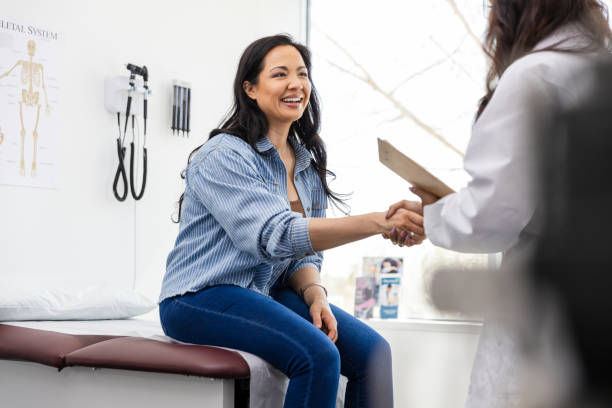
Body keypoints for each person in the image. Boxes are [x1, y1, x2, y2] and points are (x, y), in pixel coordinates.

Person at [158, 34, 424, 408]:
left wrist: (315, 294)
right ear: (250, 88)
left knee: (373, 353)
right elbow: (275, 236)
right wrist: (379, 223)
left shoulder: (306, 162)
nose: (295, 84)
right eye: (280, 74)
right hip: (200, 296)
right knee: (317, 355)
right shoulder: (222, 156)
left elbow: (303, 255)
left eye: (301, 74)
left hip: (264, 291)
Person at [384, 1, 612, 407]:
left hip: (548, 313)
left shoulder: (534, 75)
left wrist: (434, 215)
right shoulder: (597, 68)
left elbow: (494, 215)